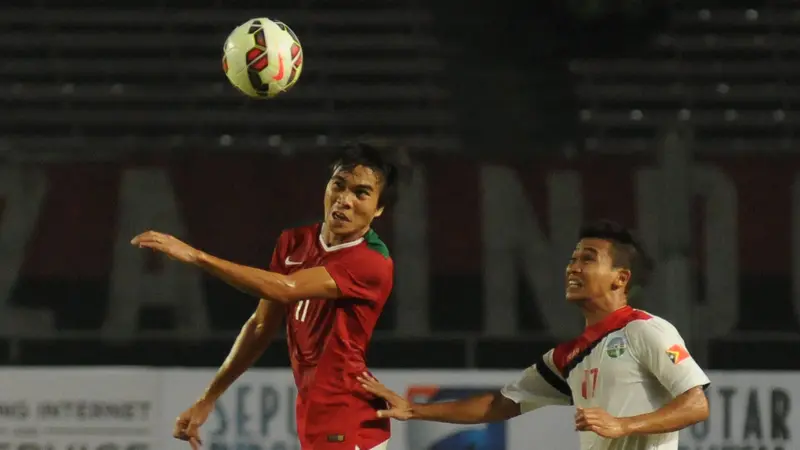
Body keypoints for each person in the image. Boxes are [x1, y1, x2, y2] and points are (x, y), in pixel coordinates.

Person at [131, 141, 409, 450]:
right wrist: (208, 399)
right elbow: (261, 326)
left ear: (379, 208)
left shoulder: (371, 261)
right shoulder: (294, 242)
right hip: (315, 409)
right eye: (338, 185)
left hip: (347, 412)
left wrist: (197, 257)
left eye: (361, 193)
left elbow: (284, 288)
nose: (344, 200)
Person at [357, 220, 711, 450]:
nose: (573, 267)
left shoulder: (646, 330)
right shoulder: (567, 357)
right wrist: (414, 411)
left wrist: (623, 425)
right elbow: (500, 403)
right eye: (572, 259)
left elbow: (696, 404)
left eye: (588, 259)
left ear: (620, 278)